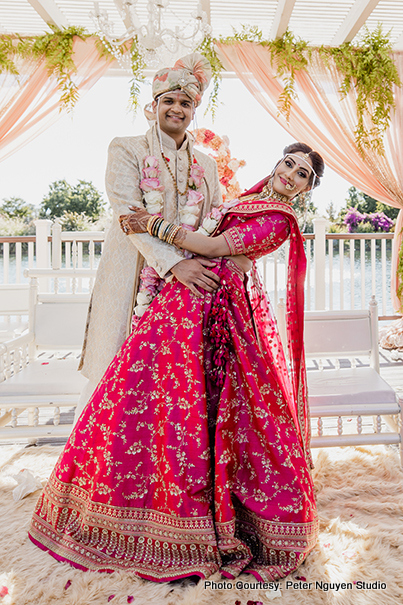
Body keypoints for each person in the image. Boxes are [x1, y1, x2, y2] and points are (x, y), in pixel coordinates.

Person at [29, 143, 325, 583]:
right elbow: (214, 241)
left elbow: (210, 242)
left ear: (305, 190)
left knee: (223, 408)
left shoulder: (279, 220)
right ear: (277, 164)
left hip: (221, 308)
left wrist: (150, 224)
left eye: (302, 174)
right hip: (190, 294)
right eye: (288, 164)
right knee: (149, 394)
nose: (290, 174)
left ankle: (226, 522)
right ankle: (137, 510)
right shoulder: (249, 199)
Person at [76, 53, 222, 419]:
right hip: (129, 278)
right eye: (168, 101)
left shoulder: (207, 165)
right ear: (152, 106)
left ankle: (165, 469)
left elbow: (216, 219)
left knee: (177, 376)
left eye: (185, 103)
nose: (177, 109)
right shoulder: (126, 148)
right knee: (116, 370)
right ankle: (99, 469)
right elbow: (129, 214)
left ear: (194, 110)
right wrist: (174, 265)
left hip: (186, 288)